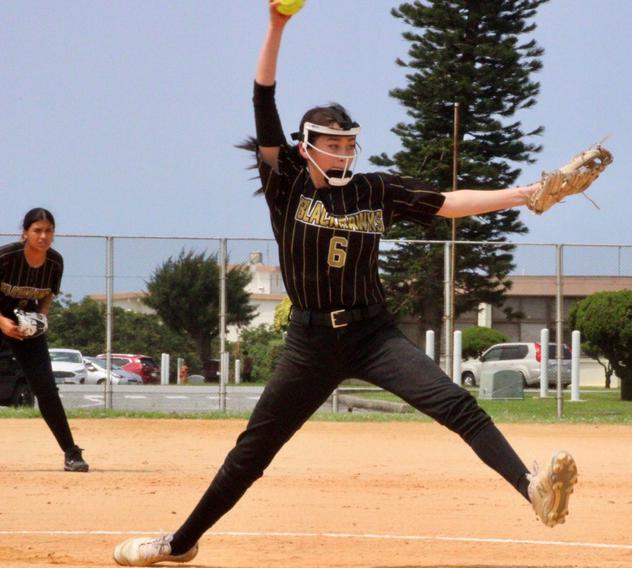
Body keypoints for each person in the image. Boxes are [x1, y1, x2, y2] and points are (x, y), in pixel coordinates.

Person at [112, 3, 576, 565]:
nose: (344, 151)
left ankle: (531, 487)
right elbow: (262, 99)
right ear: (306, 144)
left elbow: (447, 203)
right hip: (309, 344)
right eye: (333, 143)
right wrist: (276, 27)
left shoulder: (372, 190)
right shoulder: (284, 183)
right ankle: (178, 544)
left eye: (349, 142)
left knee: (458, 405)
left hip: (372, 334)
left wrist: (525, 193)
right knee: (252, 452)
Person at [0, 208, 89, 473]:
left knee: (46, 389)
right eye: (37, 230)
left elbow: (48, 294)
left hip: (26, 324)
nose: (43, 236)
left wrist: (41, 317)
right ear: (25, 233)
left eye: (48, 230)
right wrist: (2, 322)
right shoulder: (6, 257)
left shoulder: (54, 262)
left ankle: (71, 453)